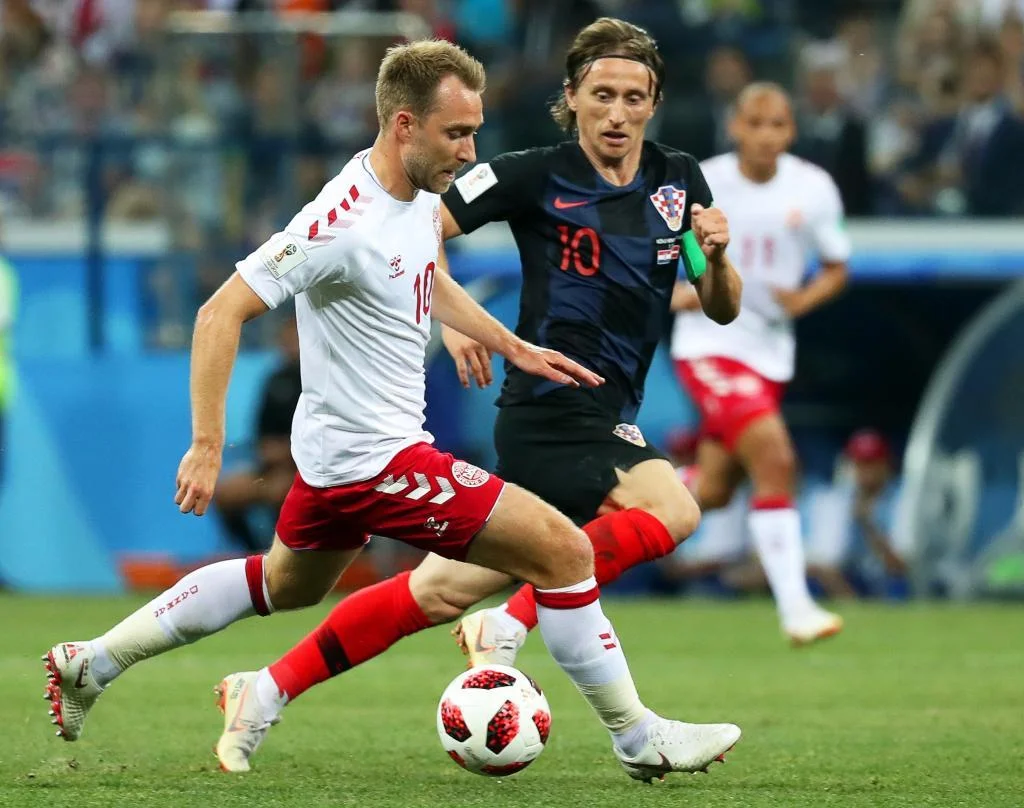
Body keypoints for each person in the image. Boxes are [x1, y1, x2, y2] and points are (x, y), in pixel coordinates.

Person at [42, 39, 740, 781]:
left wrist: (508, 343)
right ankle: (638, 737)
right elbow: (219, 313)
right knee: (565, 554)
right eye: (456, 134)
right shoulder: (341, 224)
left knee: (284, 584)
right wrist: (207, 444)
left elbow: (423, 274)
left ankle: (95, 661)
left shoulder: (414, 195)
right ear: (405, 124)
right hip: (378, 461)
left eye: (474, 132)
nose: (470, 152)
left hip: (338, 456)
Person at [231, 15, 743, 713]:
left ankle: (266, 688)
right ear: (572, 97)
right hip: (551, 406)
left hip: (606, 408)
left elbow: (719, 305)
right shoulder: (531, 173)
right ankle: (511, 626)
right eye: (601, 95)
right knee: (673, 508)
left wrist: (714, 258)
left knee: (438, 589)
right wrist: (451, 315)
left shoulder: (678, 180)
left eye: (633, 98)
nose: (617, 113)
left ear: (654, 103)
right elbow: (422, 225)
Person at [670, 83, 850, 646]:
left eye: (777, 124)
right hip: (709, 345)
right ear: (735, 127)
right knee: (776, 457)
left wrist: (803, 299)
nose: (766, 135)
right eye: (755, 123)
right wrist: (688, 289)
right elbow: (680, 252)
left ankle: (612, 508)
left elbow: (837, 266)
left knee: (714, 489)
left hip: (769, 355)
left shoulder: (814, 187)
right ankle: (797, 609)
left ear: (791, 130)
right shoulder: (705, 182)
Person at [213, 315, 301, 553]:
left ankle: (287, 554)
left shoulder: (323, 380)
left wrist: (288, 452)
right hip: (268, 467)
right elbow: (261, 432)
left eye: (296, 337)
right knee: (226, 492)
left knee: (281, 493)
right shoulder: (274, 380)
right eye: (287, 336)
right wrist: (266, 450)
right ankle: (254, 551)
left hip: (303, 469)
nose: (290, 342)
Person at [806, 429, 909, 600]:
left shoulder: (903, 497)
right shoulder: (838, 498)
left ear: (886, 464)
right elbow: (825, 559)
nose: (865, 471)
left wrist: (868, 524)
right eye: (860, 464)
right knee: (813, 583)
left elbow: (900, 566)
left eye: (872, 463)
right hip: (851, 578)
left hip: (888, 580)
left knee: (898, 585)